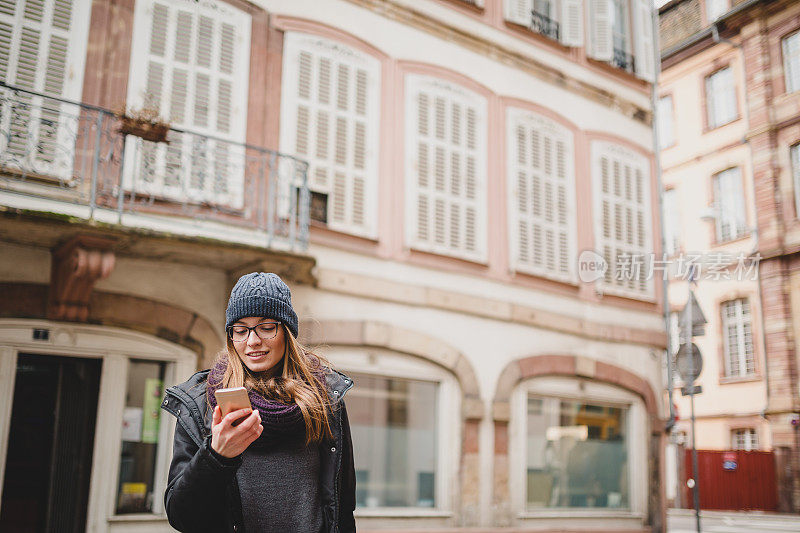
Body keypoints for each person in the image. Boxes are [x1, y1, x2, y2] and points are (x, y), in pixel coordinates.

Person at [161, 272, 356, 532]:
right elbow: (181, 516)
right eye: (241, 330)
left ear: (287, 332)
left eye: (266, 328)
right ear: (231, 336)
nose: (252, 341)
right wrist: (217, 455)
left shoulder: (324, 399)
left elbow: (343, 509)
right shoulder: (200, 404)